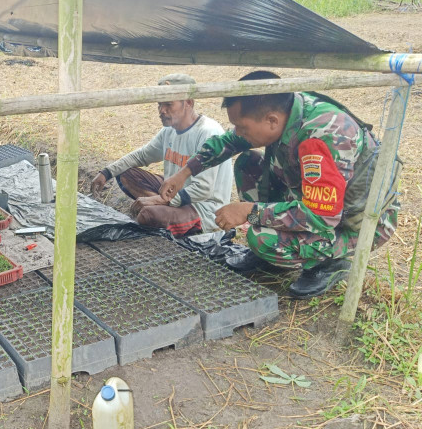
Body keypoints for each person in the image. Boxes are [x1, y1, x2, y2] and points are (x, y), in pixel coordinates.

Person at [159, 70, 400, 298]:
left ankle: (330, 263)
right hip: (316, 203)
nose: (238, 132)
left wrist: (249, 212)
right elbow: (229, 142)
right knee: (247, 164)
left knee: (261, 238)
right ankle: (276, 259)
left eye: (242, 127)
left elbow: (321, 215)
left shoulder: (322, 137)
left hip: (353, 224)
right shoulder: (284, 110)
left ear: (272, 120)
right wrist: (185, 172)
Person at [90, 73, 232, 237]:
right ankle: (165, 209)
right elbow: (141, 155)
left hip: (203, 207)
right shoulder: (169, 130)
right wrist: (106, 172)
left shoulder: (207, 133)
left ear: (189, 103)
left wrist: (160, 200)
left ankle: (165, 211)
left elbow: (203, 189)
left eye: (168, 104)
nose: (161, 110)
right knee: (125, 172)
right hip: (174, 195)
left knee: (147, 216)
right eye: (159, 104)